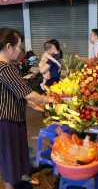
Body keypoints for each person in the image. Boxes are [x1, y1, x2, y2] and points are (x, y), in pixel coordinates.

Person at [0, 27, 54, 189]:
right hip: (6, 120)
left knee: (19, 153)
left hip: (15, 117)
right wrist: (50, 99)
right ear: (9, 47)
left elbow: (16, 91)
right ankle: (11, 184)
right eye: (19, 47)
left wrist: (33, 103)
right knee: (10, 159)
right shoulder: (4, 68)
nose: (20, 51)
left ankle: (23, 177)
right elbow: (28, 94)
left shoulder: (10, 64)